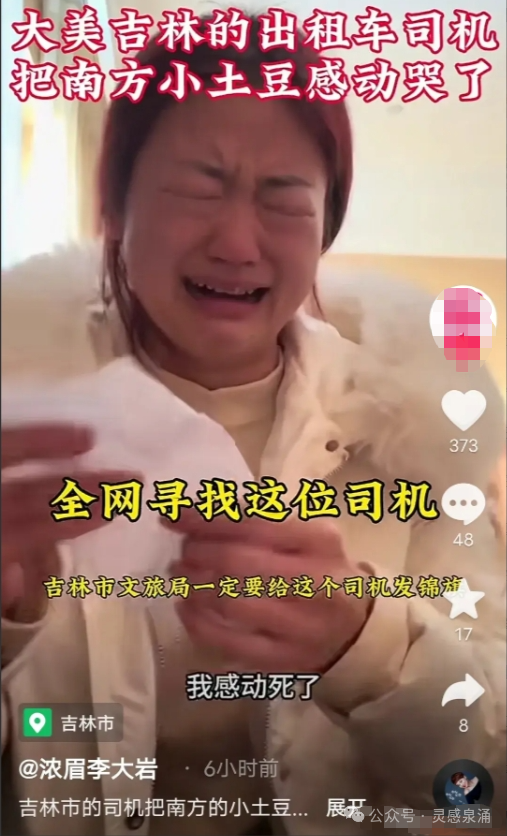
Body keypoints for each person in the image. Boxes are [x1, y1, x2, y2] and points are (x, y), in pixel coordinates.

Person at [1, 16, 506, 836]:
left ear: (323, 230)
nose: (238, 242)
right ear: (116, 211)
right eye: (198, 188)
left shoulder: (417, 440)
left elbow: (482, 775)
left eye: (284, 199)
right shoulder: (21, 423)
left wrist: (365, 646)